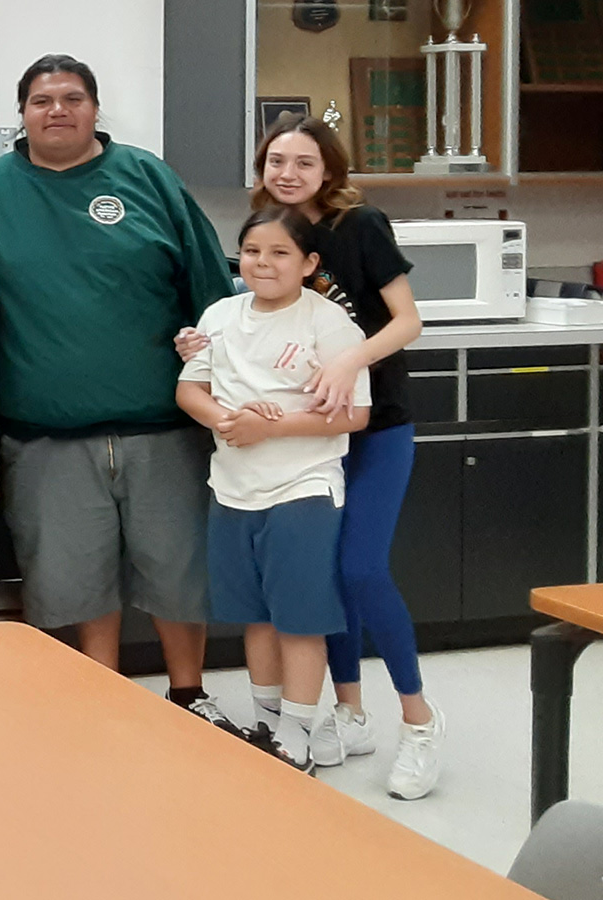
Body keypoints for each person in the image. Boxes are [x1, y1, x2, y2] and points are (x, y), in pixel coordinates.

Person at [0, 54, 239, 729]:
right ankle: (102, 697)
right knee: (72, 579)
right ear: (20, 114)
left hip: (163, 426)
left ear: (95, 108)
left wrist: (223, 367)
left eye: (72, 98)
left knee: (178, 573)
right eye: (41, 100)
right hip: (47, 432)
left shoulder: (147, 178)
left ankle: (190, 695)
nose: (57, 110)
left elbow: (211, 292)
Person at [177, 115, 440, 797]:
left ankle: (418, 721)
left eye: (303, 161)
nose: (287, 172)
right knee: (318, 580)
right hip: (297, 436)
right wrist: (198, 350)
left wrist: (351, 352)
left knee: (358, 570)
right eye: (275, 161)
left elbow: (408, 319)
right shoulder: (273, 237)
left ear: (329, 169)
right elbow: (252, 323)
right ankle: (347, 712)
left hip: (371, 424)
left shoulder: (361, 227)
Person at [175, 207, 371, 770]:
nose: (264, 263)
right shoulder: (220, 313)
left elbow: (354, 414)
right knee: (255, 615)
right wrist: (227, 419)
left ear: (309, 264)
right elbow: (191, 391)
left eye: (281, 253)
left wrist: (272, 426)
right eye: (254, 251)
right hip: (233, 490)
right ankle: (265, 723)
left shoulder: (328, 324)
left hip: (301, 489)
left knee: (300, 618)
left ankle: (298, 732)